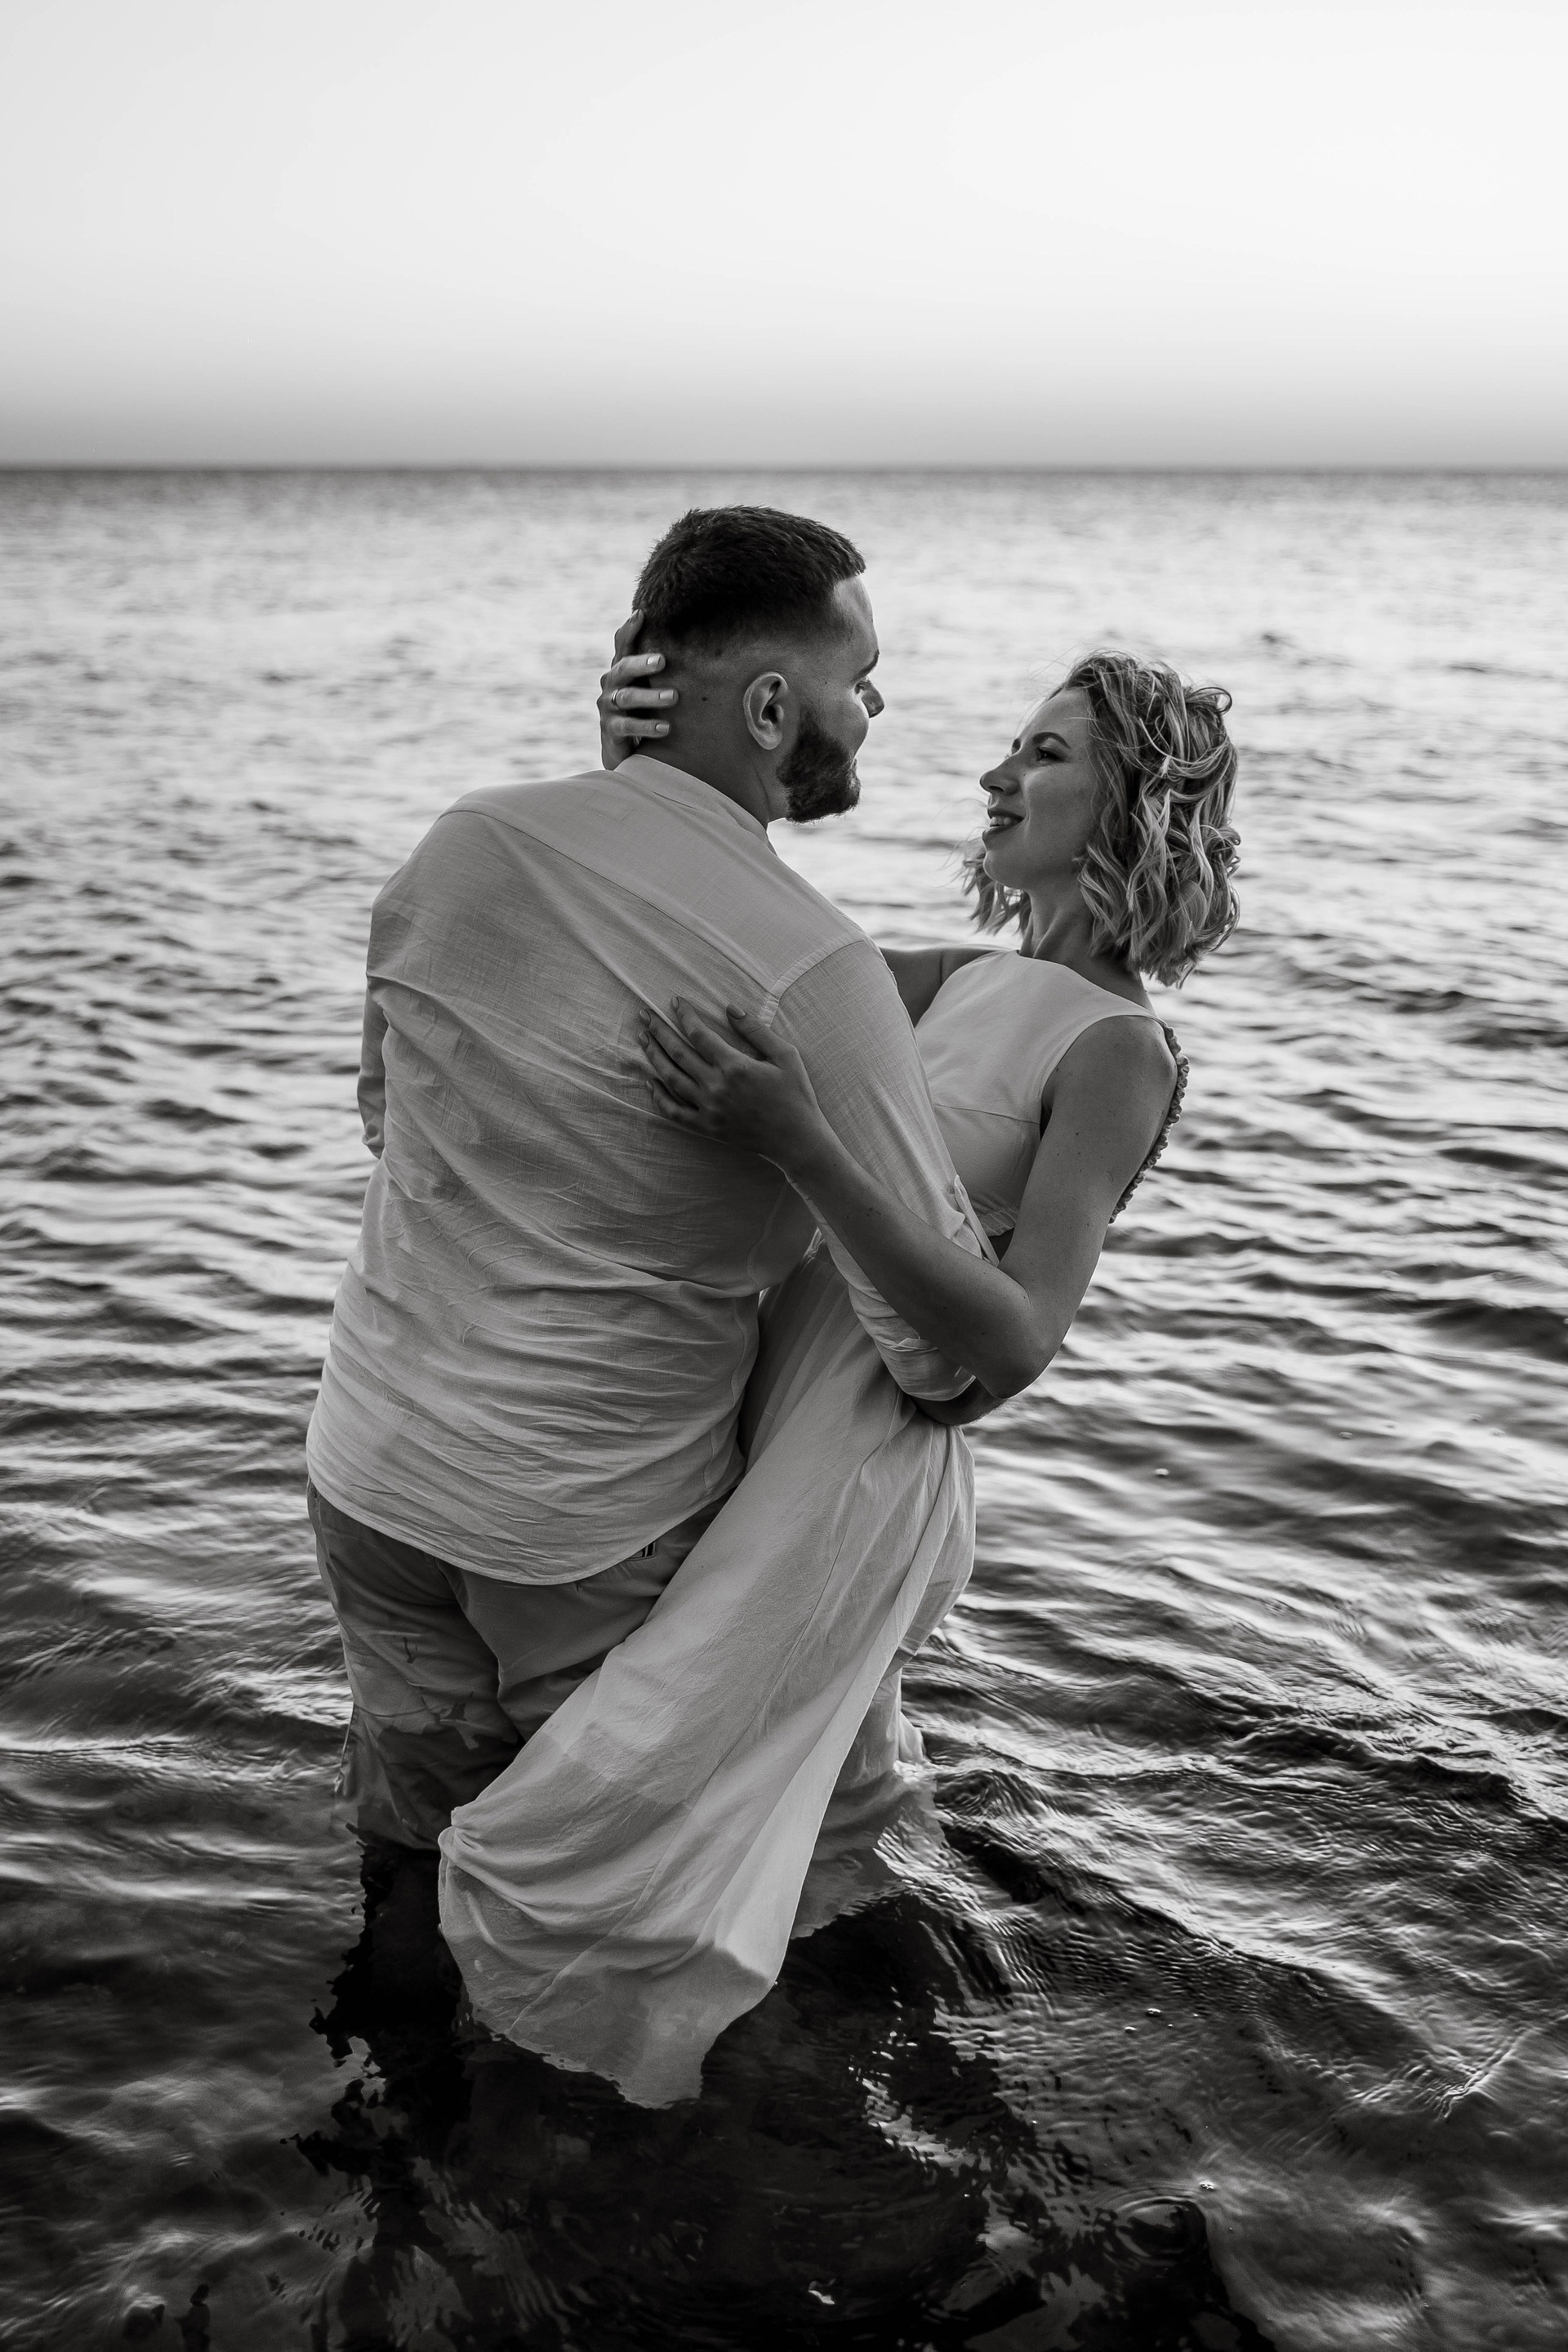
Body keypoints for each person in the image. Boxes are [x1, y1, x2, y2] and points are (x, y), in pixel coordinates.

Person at [434, 636, 1239, 2105]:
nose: (996, 773)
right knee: (817, 1819)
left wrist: (802, 1142)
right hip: (772, 1406)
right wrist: (637, 771)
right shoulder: (956, 980)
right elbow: (714, 937)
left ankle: (613, 2105)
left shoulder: (1122, 1050)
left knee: (623, 1782)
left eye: (1045, 753)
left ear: (1131, 803)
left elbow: (1018, 1337)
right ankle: (858, 2070)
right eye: (1014, 744)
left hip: (861, 1460)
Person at [305, 507, 985, 1987]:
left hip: (372, 1472)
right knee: (599, 1923)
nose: (877, 705)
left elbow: (387, 1117)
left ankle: (389, 2096)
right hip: (574, 1526)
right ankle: (557, 2129)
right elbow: (941, 1362)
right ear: (769, 706)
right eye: (861, 677)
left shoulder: (463, 842)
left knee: (411, 1853)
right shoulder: (814, 971)